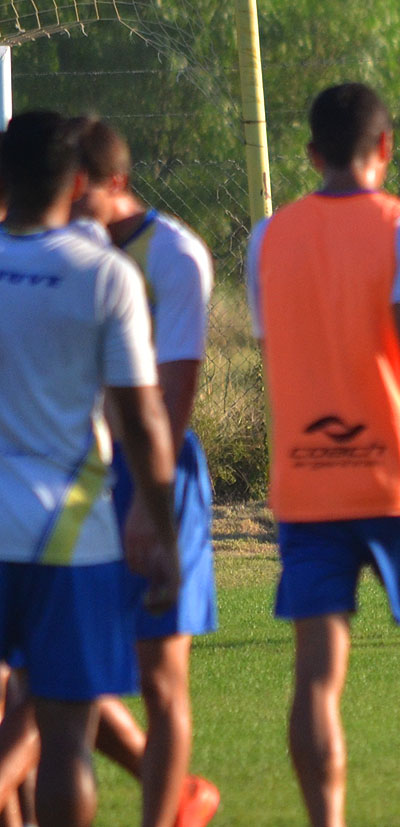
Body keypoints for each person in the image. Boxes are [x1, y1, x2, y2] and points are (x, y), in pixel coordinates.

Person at [246, 82, 400, 827]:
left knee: (317, 679)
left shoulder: (268, 238)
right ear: (385, 148)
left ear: (312, 154)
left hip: (308, 484)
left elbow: (276, 351)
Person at [0, 110, 180, 826]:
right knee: (68, 737)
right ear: (79, 184)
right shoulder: (104, 274)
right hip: (69, 535)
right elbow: (142, 419)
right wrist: (163, 534)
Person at [72, 116, 220, 827]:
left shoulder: (174, 255)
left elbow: (176, 393)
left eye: (82, 196)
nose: (70, 212)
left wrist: (146, 500)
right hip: (80, 476)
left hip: (156, 475)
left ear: (118, 185)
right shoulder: (70, 250)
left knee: (161, 679)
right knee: (51, 665)